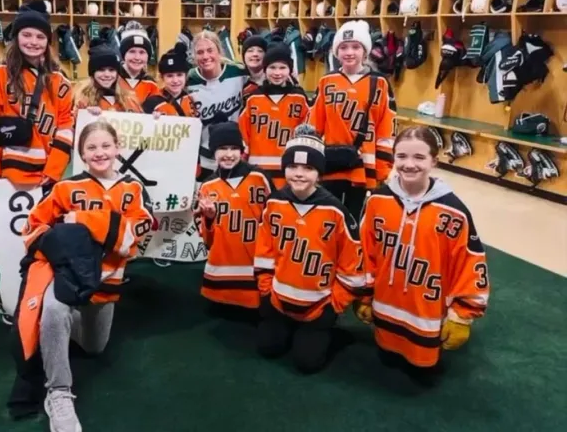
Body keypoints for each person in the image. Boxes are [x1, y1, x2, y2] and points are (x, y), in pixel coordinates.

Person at [7, 120, 154, 431]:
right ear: (82, 154)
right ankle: (58, 393)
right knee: (53, 309)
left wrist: (83, 221)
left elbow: (134, 238)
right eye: (91, 147)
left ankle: (58, 330)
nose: (99, 153)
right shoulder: (64, 188)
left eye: (105, 146)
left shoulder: (134, 189)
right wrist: (60, 243)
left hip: (105, 283)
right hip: (65, 279)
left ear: (117, 149)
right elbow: (31, 227)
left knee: (94, 348)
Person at [355, 125, 490, 385]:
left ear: (434, 161)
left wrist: (463, 315)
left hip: (427, 318)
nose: (409, 164)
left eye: (419, 157)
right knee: (386, 360)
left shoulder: (454, 211)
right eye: (402, 156)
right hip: (384, 312)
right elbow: (364, 251)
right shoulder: (377, 201)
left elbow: (470, 264)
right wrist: (364, 294)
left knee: (421, 374)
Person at [254, 125, 368, 374]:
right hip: (279, 301)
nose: (299, 174)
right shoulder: (274, 203)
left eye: (308, 168)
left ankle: (327, 330)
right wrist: (266, 292)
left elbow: (352, 267)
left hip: (318, 306)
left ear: (320, 173)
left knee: (307, 363)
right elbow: (264, 252)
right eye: (293, 166)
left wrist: (333, 307)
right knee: (267, 348)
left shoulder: (336, 211)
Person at [0, 0, 74, 190]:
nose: (33, 42)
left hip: (46, 176)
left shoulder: (60, 80)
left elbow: (65, 128)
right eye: (26, 35)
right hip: (7, 175)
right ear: (16, 37)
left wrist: (54, 170)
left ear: (48, 41)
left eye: (40, 37)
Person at [308, 19, 396, 220]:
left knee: (356, 221)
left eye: (356, 47)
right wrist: (311, 160)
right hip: (332, 164)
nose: (349, 52)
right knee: (328, 218)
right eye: (344, 47)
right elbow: (313, 125)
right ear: (336, 52)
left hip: (365, 167)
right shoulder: (326, 82)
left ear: (365, 52)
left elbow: (387, 130)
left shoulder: (380, 83)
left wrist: (384, 166)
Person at [195, 122, 274, 319]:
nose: (228, 154)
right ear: (213, 152)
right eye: (222, 148)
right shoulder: (207, 186)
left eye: (233, 148)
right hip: (223, 265)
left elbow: (277, 215)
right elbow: (206, 239)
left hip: (256, 261)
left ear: (242, 150)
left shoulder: (259, 177)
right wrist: (210, 218)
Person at [239, 43, 309, 188]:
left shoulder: (299, 97)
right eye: (272, 67)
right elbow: (243, 132)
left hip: (290, 168)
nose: (277, 73)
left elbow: (308, 131)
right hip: (257, 168)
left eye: (282, 67)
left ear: (290, 70)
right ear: (265, 69)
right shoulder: (253, 98)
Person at [186, 30, 250, 180]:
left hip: (235, 152)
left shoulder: (238, 72)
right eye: (200, 52)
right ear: (194, 56)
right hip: (205, 155)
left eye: (210, 50)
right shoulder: (188, 80)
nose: (206, 56)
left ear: (219, 51)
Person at [75, 39, 142, 113]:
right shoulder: (82, 101)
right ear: (92, 73)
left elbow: (142, 121)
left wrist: (155, 118)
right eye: (101, 70)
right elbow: (72, 122)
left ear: (117, 73)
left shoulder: (129, 99)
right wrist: (87, 115)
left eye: (111, 70)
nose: (107, 75)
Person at [142, 42, 197, 117]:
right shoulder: (152, 102)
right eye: (170, 76)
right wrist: (151, 120)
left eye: (179, 75)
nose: (175, 80)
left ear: (186, 76)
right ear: (162, 77)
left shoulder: (193, 100)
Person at [118, 26, 160, 105]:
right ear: (124, 55)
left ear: (148, 56)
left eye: (142, 52)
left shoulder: (151, 84)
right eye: (132, 51)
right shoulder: (112, 79)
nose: (137, 57)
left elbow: (158, 108)